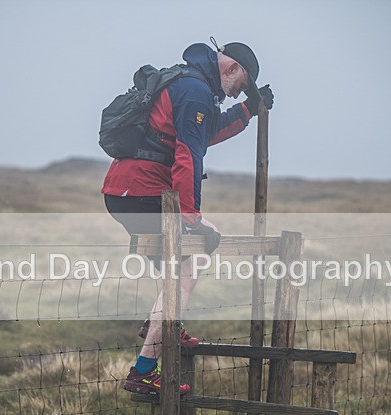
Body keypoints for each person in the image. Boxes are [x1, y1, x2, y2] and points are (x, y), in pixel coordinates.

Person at [101, 39, 274, 396]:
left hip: (127, 192)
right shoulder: (195, 91)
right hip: (142, 192)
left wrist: (246, 111)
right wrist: (191, 217)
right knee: (192, 259)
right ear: (232, 70)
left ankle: (164, 322)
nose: (236, 92)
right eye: (241, 86)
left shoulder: (192, 84)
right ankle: (144, 369)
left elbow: (205, 133)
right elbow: (188, 155)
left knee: (190, 256)